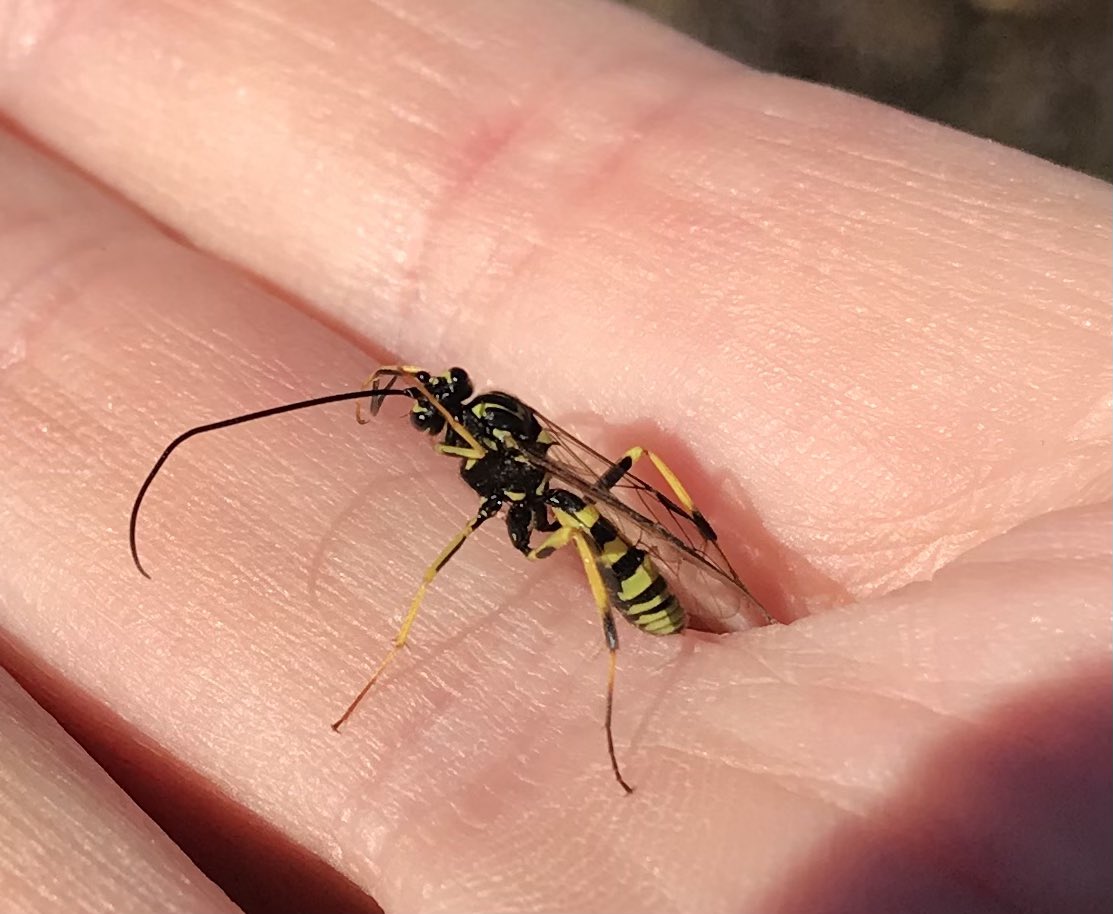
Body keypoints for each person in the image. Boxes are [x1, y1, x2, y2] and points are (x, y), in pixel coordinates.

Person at [0, 2, 1108, 912]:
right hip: (592, 516)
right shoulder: (482, 419)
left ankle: (623, 670)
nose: (432, 415)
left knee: (564, 517)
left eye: (437, 406)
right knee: (599, 489)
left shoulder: (513, 451)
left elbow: (563, 475)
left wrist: (668, 558)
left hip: (610, 551)